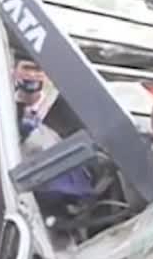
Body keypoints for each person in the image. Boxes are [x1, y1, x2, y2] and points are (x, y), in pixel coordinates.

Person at [12, 56, 95, 203]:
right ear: (14, 72)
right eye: (27, 68)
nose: (32, 75)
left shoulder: (64, 109)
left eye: (37, 69)